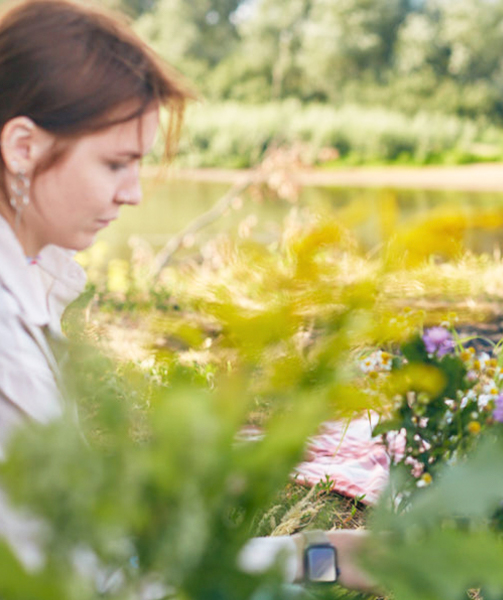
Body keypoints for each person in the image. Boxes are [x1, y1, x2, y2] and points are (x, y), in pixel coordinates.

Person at [0, 0, 373, 592]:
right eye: (116, 163)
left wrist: (319, 553)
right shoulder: (7, 342)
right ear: (22, 147)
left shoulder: (33, 286)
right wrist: (311, 561)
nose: (134, 194)